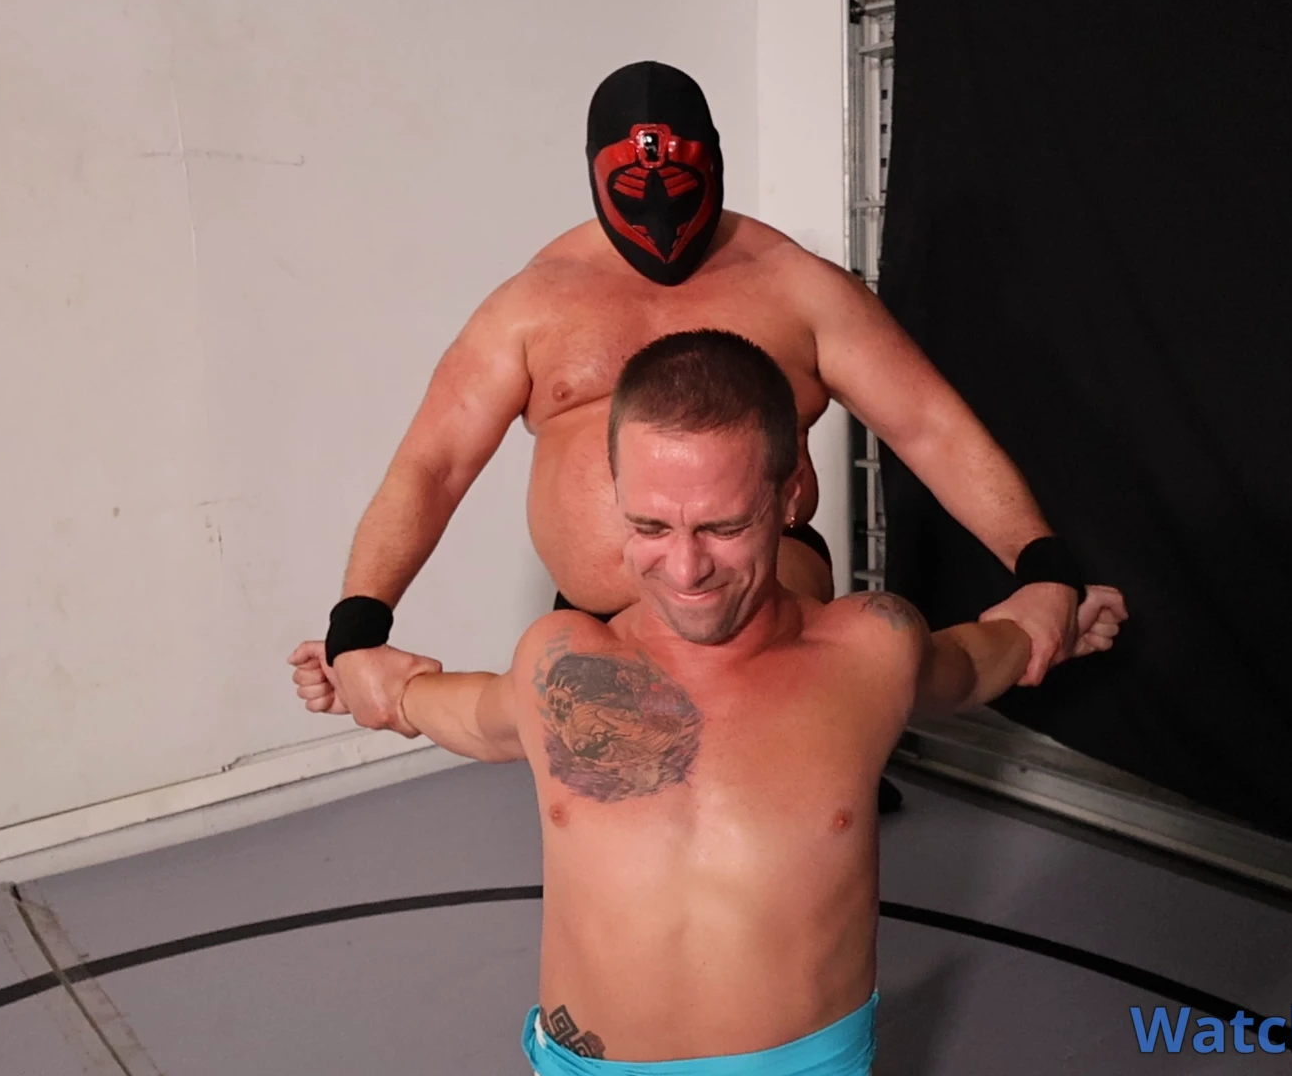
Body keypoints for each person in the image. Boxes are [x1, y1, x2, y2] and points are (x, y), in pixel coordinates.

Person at [289, 331, 1118, 1073]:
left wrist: (1046, 623)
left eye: (723, 527)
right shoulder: (563, 663)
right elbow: (479, 716)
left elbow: (969, 664)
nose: (685, 572)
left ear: (790, 496)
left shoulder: (871, 651)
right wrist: (381, 688)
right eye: (651, 527)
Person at [308, 62, 1128, 773]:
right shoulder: (533, 303)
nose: (659, 205)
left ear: (717, 163)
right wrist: (358, 627)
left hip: (766, 591)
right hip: (594, 618)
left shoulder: (798, 285)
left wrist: (1041, 566)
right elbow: (435, 465)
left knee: (772, 780)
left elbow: (928, 426)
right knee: (611, 812)